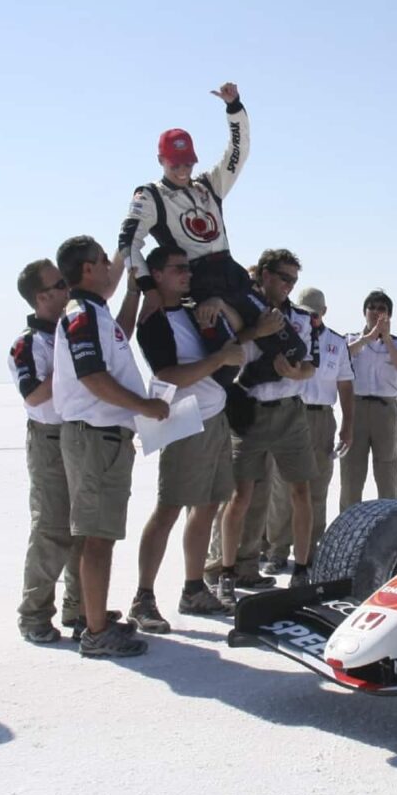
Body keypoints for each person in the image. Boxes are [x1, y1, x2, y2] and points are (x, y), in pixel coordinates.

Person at [112, 82, 307, 369]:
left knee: (293, 350)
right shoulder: (150, 196)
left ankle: (255, 385)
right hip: (198, 281)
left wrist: (234, 108)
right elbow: (128, 243)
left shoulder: (207, 185)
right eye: (174, 165)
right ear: (160, 161)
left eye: (187, 164)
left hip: (232, 273)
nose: (182, 171)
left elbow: (238, 154)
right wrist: (147, 287)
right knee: (226, 363)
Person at [52, 235, 169, 658]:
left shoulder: (97, 314)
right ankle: (97, 632)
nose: (110, 267)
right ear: (87, 269)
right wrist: (144, 406)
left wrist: (136, 294)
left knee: (94, 534)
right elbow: (93, 377)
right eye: (104, 261)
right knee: (98, 537)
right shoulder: (81, 314)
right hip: (94, 438)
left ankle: (91, 612)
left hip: (105, 438)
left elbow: (121, 333)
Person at [129, 247, 247, 631]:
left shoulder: (194, 310)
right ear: (157, 274)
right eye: (178, 269)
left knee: (209, 504)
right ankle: (143, 597)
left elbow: (233, 341)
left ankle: (193, 588)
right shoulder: (153, 320)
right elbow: (169, 376)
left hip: (213, 416)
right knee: (169, 508)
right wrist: (220, 360)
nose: (187, 275)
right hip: (182, 420)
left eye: (187, 268)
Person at [206, 249, 318, 605]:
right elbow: (229, 347)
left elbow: (310, 365)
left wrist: (295, 373)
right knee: (240, 497)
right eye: (283, 278)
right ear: (265, 275)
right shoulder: (244, 311)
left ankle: (301, 569)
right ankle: (226, 571)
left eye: (293, 281)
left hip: (290, 412)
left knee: (301, 492)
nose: (288, 286)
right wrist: (257, 329)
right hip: (250, 412)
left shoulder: (300, 320)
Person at [8, 259, 85, 644]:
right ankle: (35, 614)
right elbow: (35, 394)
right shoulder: (29, 343)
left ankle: (80, 606)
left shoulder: (71, 332)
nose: (68, 289)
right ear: (42, 296)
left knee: (84, 526)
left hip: (78, 436)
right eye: (60, 283)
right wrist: (70, 365)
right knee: (52, 528)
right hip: (50, 439)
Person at [259, 286, 354, 575]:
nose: (310, 319)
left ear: (324, 312)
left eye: (315, 314)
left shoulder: (337, 343)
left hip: (321, 419)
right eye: (305, 313)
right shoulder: (287, 335)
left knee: (317, 486)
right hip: (288, 414)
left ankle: (311, 550)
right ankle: (277, 550)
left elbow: (346, 384)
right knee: (281, 488)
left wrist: (348, 425)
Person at [340, 290, 397, 509]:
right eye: (371, 307)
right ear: (364, 312)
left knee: (387, 471)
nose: (376, 313)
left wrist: (387, 340)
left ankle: (391, 522)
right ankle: (348, 526)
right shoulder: (350, 340)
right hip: (356, 409)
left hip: (385, 411)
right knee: (351, 472)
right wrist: (366, 340)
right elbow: (338, 360)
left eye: (381, 308)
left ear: (389, 315)